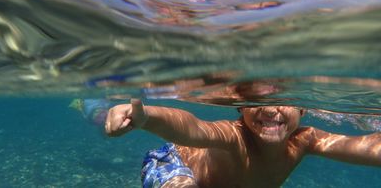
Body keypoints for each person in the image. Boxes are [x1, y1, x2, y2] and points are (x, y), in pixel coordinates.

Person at [105, 99, 381, 188]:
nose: (271, 110)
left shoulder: (306, 139)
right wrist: (147, 117)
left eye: (284, 100)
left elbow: (364, 147)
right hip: (173, 161)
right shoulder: (234, 135)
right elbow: (192, 128)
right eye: (256, 101)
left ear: (303, 110)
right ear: (240, 109)